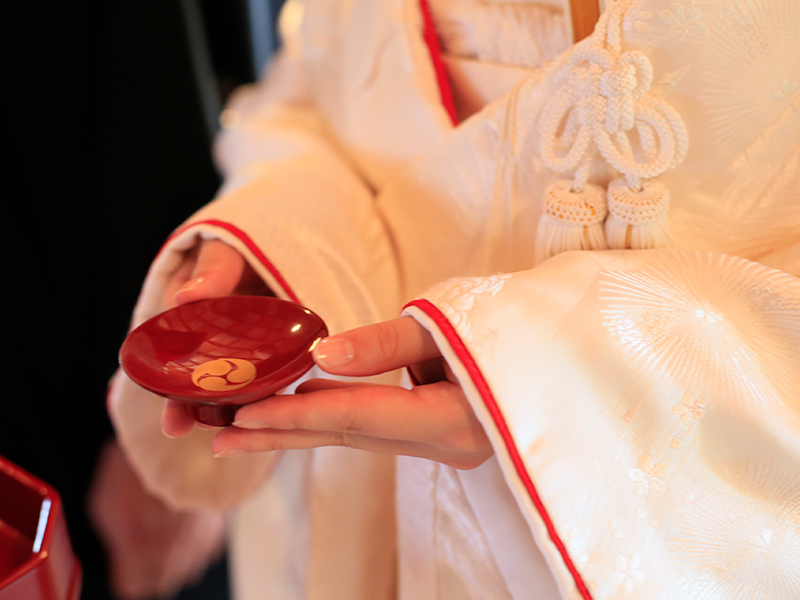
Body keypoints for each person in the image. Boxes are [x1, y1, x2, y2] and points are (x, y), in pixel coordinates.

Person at [107, 0, 800, 598]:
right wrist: (282, 236)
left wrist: (547, 388)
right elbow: (313, 87)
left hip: (625, 524)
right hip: (346, 495)